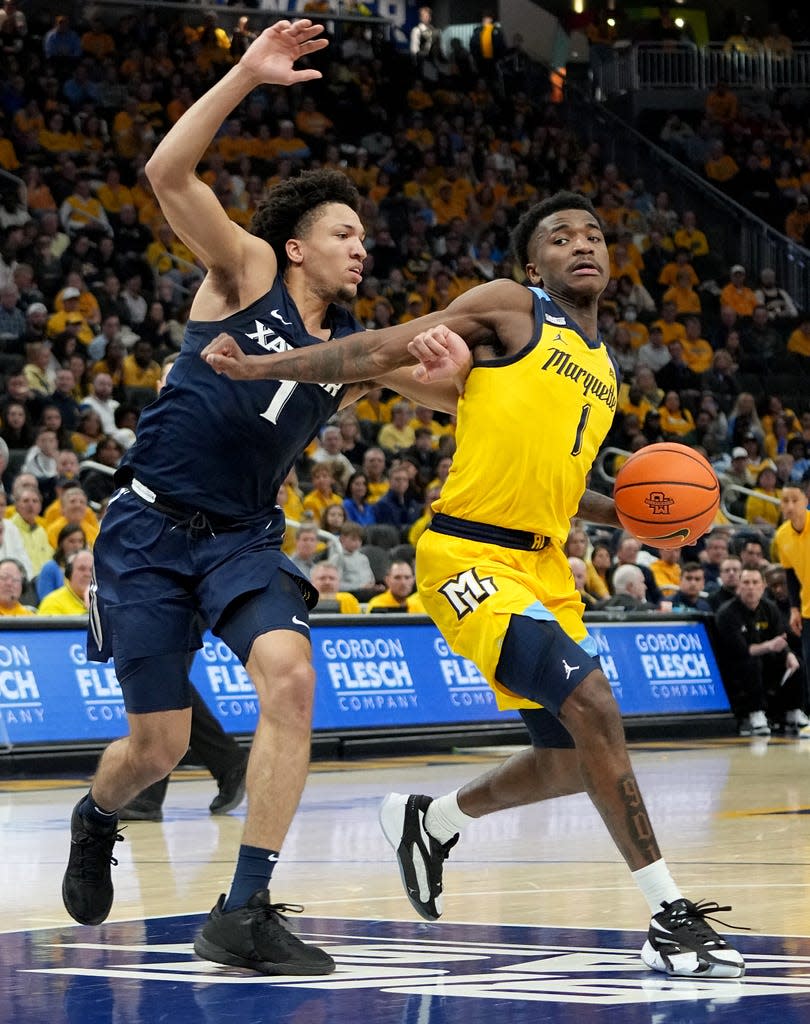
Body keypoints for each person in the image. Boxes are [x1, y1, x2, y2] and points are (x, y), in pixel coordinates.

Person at [202, 189, 745, 978]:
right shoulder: (512, 307)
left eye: (593, 234)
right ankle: (669, 914)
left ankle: (432, 821)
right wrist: (262, 366)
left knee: (570, 756)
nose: (582, 244)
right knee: (593, 704)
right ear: (535, 264)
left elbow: (565, 483)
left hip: (546, 565)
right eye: (561, 237)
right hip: (467, 558)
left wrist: (634, 515)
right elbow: (384, 347)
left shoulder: (603, 373)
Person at [61, 20, 461, 978]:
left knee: (288, 676)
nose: (363, 248)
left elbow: (450, 393)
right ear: (296, 245)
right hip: (148, 527)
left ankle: (244, 909)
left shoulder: (351, 356)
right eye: (345, 233)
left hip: (240, 541)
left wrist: (452, 368)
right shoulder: (241, 274)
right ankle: (95, 814)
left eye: (365, 235)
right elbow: (167, 174)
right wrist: (246, 72)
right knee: (154, 747)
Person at [715, 566, 802, 736]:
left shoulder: (770, 608)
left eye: (755, 582)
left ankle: (794, 711)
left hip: (765, 662)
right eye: (746, 582)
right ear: (739, 586)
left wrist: (788, 654)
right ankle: (756, 714)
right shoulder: (727, 613)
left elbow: (781, 638)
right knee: (752, 662)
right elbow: (741, 651)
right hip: (735, 666)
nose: (750, 587)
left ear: (763, 586)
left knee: (795, 661)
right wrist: (769, 646)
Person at [774, 484, 810, 732]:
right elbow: (790, 575)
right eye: (784, 500)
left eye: (793, 500)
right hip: (807, 610)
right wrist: (794, 608)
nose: (788, 506)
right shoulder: (781, 535)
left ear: (805, 500)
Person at [37, 548, 93, 614]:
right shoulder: (52, 603)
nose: (88, 574)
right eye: (82, 569)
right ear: (69, 573)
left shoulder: (104, 601)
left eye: (92, 570)